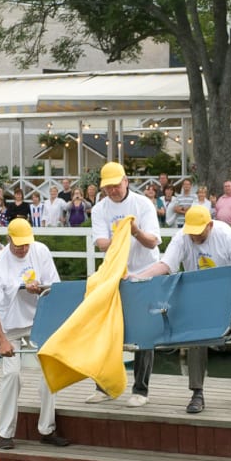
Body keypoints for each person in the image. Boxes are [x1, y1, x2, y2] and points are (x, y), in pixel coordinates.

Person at [131, 203, 231, 414]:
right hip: (200, 297)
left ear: (210, 225)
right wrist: (139, 277)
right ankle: (197, 393)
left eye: (199, 232)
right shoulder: (182, 236)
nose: (194, 236)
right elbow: (166, 265)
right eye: (191, 232)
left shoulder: (225, 234)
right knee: (195, 339)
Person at [0, 218, 70, 449]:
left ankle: (47, 429)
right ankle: (4, 433)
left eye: (26, 243)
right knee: (12, 375)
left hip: (38, 321)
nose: (23, 248)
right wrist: (2, 342)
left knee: (50, 371)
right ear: (9, 239)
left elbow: (54, 288)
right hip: (9, 326)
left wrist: (39, 289)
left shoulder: (41, 251)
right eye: (18, 244)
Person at [90, 162, 162, 404]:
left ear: (126, 181)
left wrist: (135, 231)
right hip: (115, 275)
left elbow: (153, 242)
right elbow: (102, 243)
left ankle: (140, 390)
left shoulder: (143, 204)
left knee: (144, 332)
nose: (112, 190)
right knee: (106, 328)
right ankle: (104, 386)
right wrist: (121, 235)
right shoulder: (99, 208)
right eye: (107, 187)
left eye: (116, 185)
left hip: (146, 273)